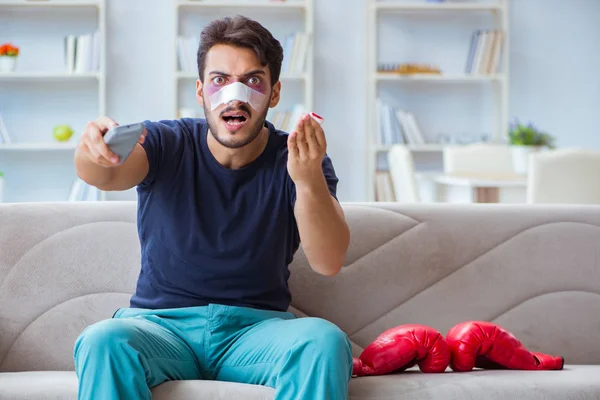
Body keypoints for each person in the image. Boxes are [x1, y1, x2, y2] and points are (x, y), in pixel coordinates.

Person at [72, 15, 352, 400]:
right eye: (220, 80)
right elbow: (105, 175)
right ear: (201, 91)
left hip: (256, 332)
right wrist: (93, 154)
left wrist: (306, 180)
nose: (235, 96)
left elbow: (329, 261)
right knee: (103, 340)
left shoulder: (301, 157)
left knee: (324, 341)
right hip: (161, 328)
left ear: (274, 94)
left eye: (253, 80)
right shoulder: (169, 142)